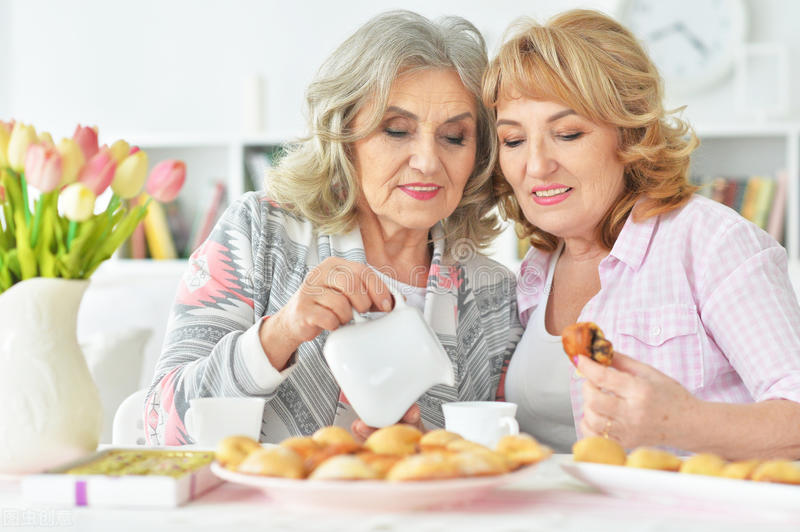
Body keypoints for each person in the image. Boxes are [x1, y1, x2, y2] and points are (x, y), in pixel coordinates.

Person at [145, 10, 522, 445]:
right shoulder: (259, 234)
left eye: (454, 137)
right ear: (344, 134)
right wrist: (279, 334)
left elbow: (493, 458)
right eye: (396, 130)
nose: (427, 161)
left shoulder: (492, 294)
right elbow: (161, 425)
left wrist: (418, 448)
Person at [484, 9, 800, 458]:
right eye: (513, 141)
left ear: (630, 134)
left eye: (568, 134)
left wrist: (682, 423)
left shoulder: (713, 243)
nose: (535, 165)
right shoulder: (533, 273)